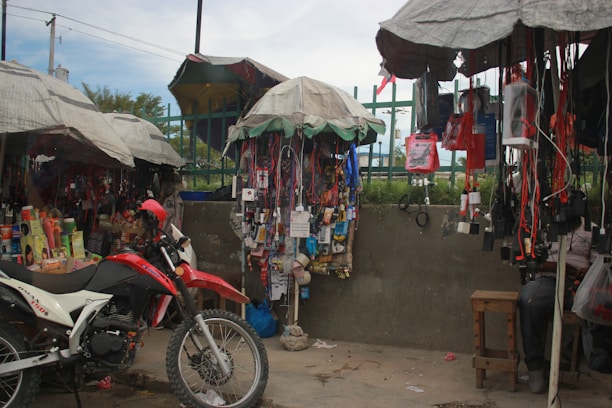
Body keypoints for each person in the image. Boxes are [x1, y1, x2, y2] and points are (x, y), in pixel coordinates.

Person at [518, 215, 593, 394]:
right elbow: (530, 258)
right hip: (548, 279)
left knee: (599, 302)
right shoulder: (540, 225)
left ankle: (580, 351)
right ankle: (535, 368)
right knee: (530, 300)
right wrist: (560, 267)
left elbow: (599, 260)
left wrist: (587, 271)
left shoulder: (592, 229)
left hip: (581, 282)